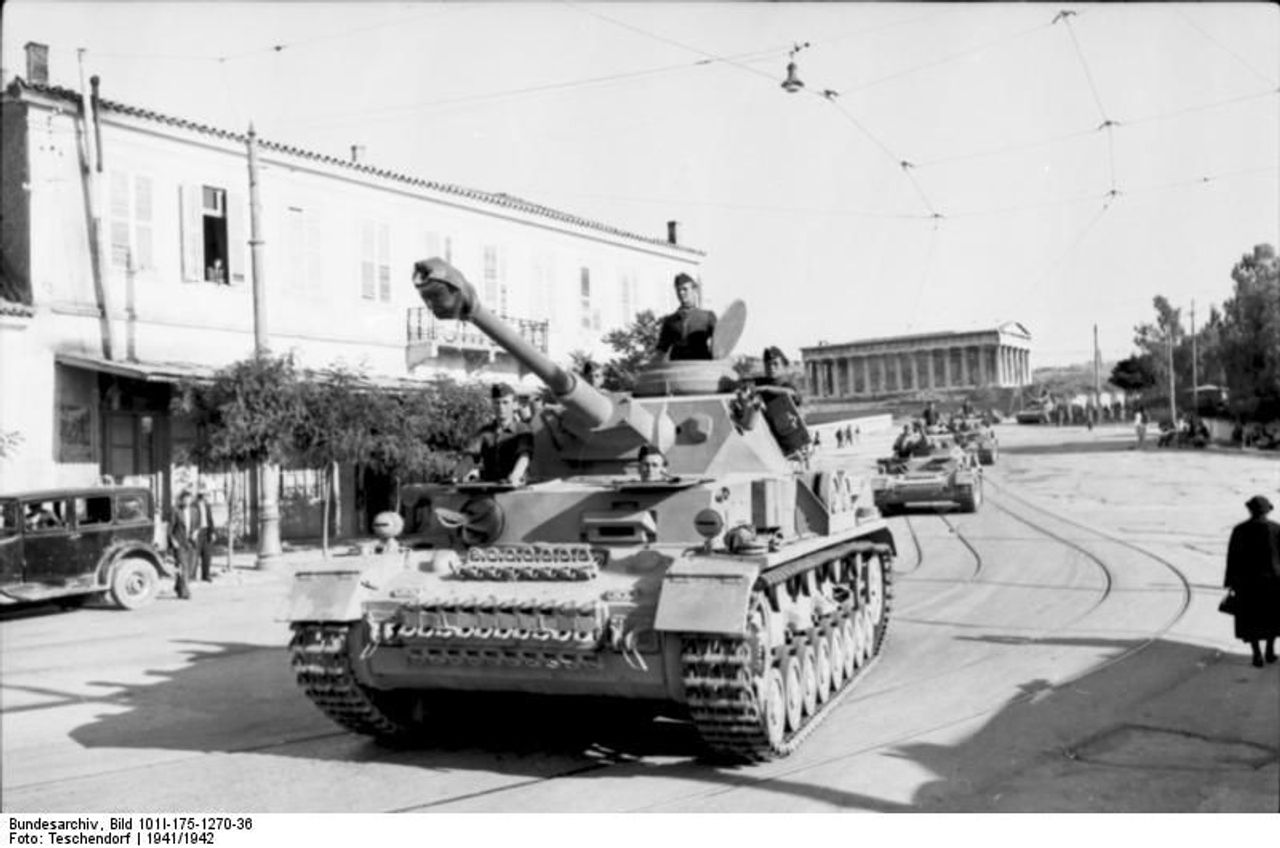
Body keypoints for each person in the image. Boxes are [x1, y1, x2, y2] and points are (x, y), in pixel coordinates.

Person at [1224, 495, 1280, 668]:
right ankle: (1270, 650)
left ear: (1250, 510)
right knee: (1273, 618)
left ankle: (1257, 654)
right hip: (1273, 582)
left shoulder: (1240, 530)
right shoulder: (1276, 529)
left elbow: (1233, 558)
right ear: (1267, 511)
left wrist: (1230, 582)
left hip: (1247, 584)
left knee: (1250, 620)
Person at [462, 383, 533, 485]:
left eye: (505, 402)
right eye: (497, 403)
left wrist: (516, 474)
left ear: (514, 405)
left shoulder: (523, 430)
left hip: (516, 486)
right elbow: (471, 455)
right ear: (492, 404)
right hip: (490, 486)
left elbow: (524, 454)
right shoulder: (484, 432)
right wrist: (459, 474)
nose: (501, 407)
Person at [654, 273, 716, 361]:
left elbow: (720, 344)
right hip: (677, 367)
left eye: (685, 289)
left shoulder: (707, 317)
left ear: (694, 290)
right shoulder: (670, 321)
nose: (681, 293)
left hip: (701, 365)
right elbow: (661, 351)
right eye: (678, 290)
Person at [168, 490, 198, 600]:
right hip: (179, 543)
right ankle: (186, 592)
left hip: (190, 542)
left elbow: (197, 525)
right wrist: (173, 540)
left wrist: (195, 532)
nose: (187, 501)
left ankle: (178, 586)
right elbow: (170, 528)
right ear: (181, 500)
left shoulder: (194, 511)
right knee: (183, 567)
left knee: (190, 567)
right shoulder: (176, 511)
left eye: (189, 499)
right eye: (185, 499)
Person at [194, 485, 217, 582]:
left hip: (206, 531)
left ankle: (206, 575)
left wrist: (212, 532)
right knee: (196, 554)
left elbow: (210, 519)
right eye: (205, 495)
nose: (206, 497)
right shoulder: (193, 505)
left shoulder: (207, 505)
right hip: (197, 532)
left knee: (207, 555)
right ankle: (192, 575)